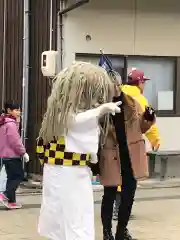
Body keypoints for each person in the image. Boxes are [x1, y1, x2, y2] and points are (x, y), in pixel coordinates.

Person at [36, 61, 121, 240]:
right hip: (65, 171)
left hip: (71, 170)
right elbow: (74, 121)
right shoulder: (63, 115)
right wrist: (100, 110)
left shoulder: (67, 114)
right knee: (73, 216)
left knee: (73, 214)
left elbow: (84, 128)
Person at [99, 84, 156, 240]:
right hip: (111, 157)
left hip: (130, 157)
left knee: (128, 196)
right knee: (109, 195)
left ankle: (121, 230)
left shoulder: (132, 103)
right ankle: (107, 232)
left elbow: (141, 128)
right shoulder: (102, 106)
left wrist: (148, 118)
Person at [112, 68, 161, 220]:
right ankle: (121, 211)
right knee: (130, 179)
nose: (144, 85)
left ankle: (115, 209)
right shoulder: (140, 100)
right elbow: (147, 124)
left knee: (118, 176)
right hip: (132, 145)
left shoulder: (118, 94)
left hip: (115, 144)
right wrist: (155, 140)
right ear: (139, 82)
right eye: (143, 82)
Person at [0, 101, 29, 209]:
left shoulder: (3, 122)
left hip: (4, 155)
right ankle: (6, 195)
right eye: (16, 110)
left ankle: (11, 202)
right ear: (9, 110)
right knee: (18, 176)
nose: (19, 112)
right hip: (12, 155)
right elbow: (15, 141)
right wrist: (23, 152)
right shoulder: (10, 124)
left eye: (20, 110)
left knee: (11, 178)